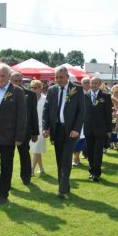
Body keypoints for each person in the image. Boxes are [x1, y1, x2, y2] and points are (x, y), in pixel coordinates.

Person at [0, 64, 27, 205]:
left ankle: (3, 194)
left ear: (9, 76)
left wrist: (19, 137)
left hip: (9, 135)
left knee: (6, 165)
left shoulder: (17, 91)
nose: (0, 78)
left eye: (3, 76)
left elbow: (22, 116)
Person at [42, 66, 85, 199]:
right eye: (56, 77)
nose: (58, 80)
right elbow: (46, 109)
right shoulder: (52, 90)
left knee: (66, 158)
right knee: (59, 159)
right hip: (56, 130)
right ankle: (64, 184)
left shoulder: (76, 89)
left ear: (67, 76)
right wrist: (45, 127)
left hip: (71, 130)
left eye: (61, 77)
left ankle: (62, 189)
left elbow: (81, 111)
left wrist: (76, 129)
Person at [10, 71, 39, 185]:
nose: (18, 83)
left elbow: (34, 114)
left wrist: (35, 132)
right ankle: (7, 179)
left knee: (24, 154)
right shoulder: (6, 93)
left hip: (24, 131)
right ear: (11, 81)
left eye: (20, 81)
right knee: (8, 156)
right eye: (15, 81)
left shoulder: (30, 95)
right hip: (8, 131)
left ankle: (26, 177)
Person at [84, 77, 112, 181]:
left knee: (98, 151)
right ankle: (91, 171)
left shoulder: (105, 96)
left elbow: (108, 114)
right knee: (90, 151)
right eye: (92, 83)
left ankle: (97, 173)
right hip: (88, 128)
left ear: (100, 84)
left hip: (101, 129)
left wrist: (109, 130)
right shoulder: (85, 96)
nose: (93, 85)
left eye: (96, 83)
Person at [29, 80, 47, 175]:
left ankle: (31, 170)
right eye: (31, 87)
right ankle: (41, 168)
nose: (33, 89)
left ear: (40, 88)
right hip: (31, 127)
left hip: (42, 128)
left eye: (35, 87)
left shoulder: (45, 99)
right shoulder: (28, 99)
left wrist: (48, 128)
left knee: (36, 149)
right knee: (37, 149)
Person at [72, 77, 90, 166]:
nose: (87, 84)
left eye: (88, 82)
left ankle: (77, 158)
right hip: (76, 121)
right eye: (85, 82)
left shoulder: (90, 95)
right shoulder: (74, 95)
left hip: (87, 122)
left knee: (82, 140)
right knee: (75, 140)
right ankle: (76, 158)